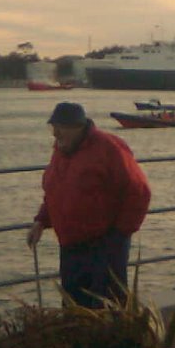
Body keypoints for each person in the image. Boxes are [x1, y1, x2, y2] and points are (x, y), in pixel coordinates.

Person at [27, 102, 151, 307]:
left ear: (78, 127)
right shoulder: (61, 152)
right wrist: (41, 221)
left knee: (107, 305)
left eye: (60, 127)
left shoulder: (108, 148)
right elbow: (55, 192)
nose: (55, 134)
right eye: (53, 127)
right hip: (70, 246)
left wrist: (120, 234)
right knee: (74, 307)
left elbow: (139, 191)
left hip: (104, 245)